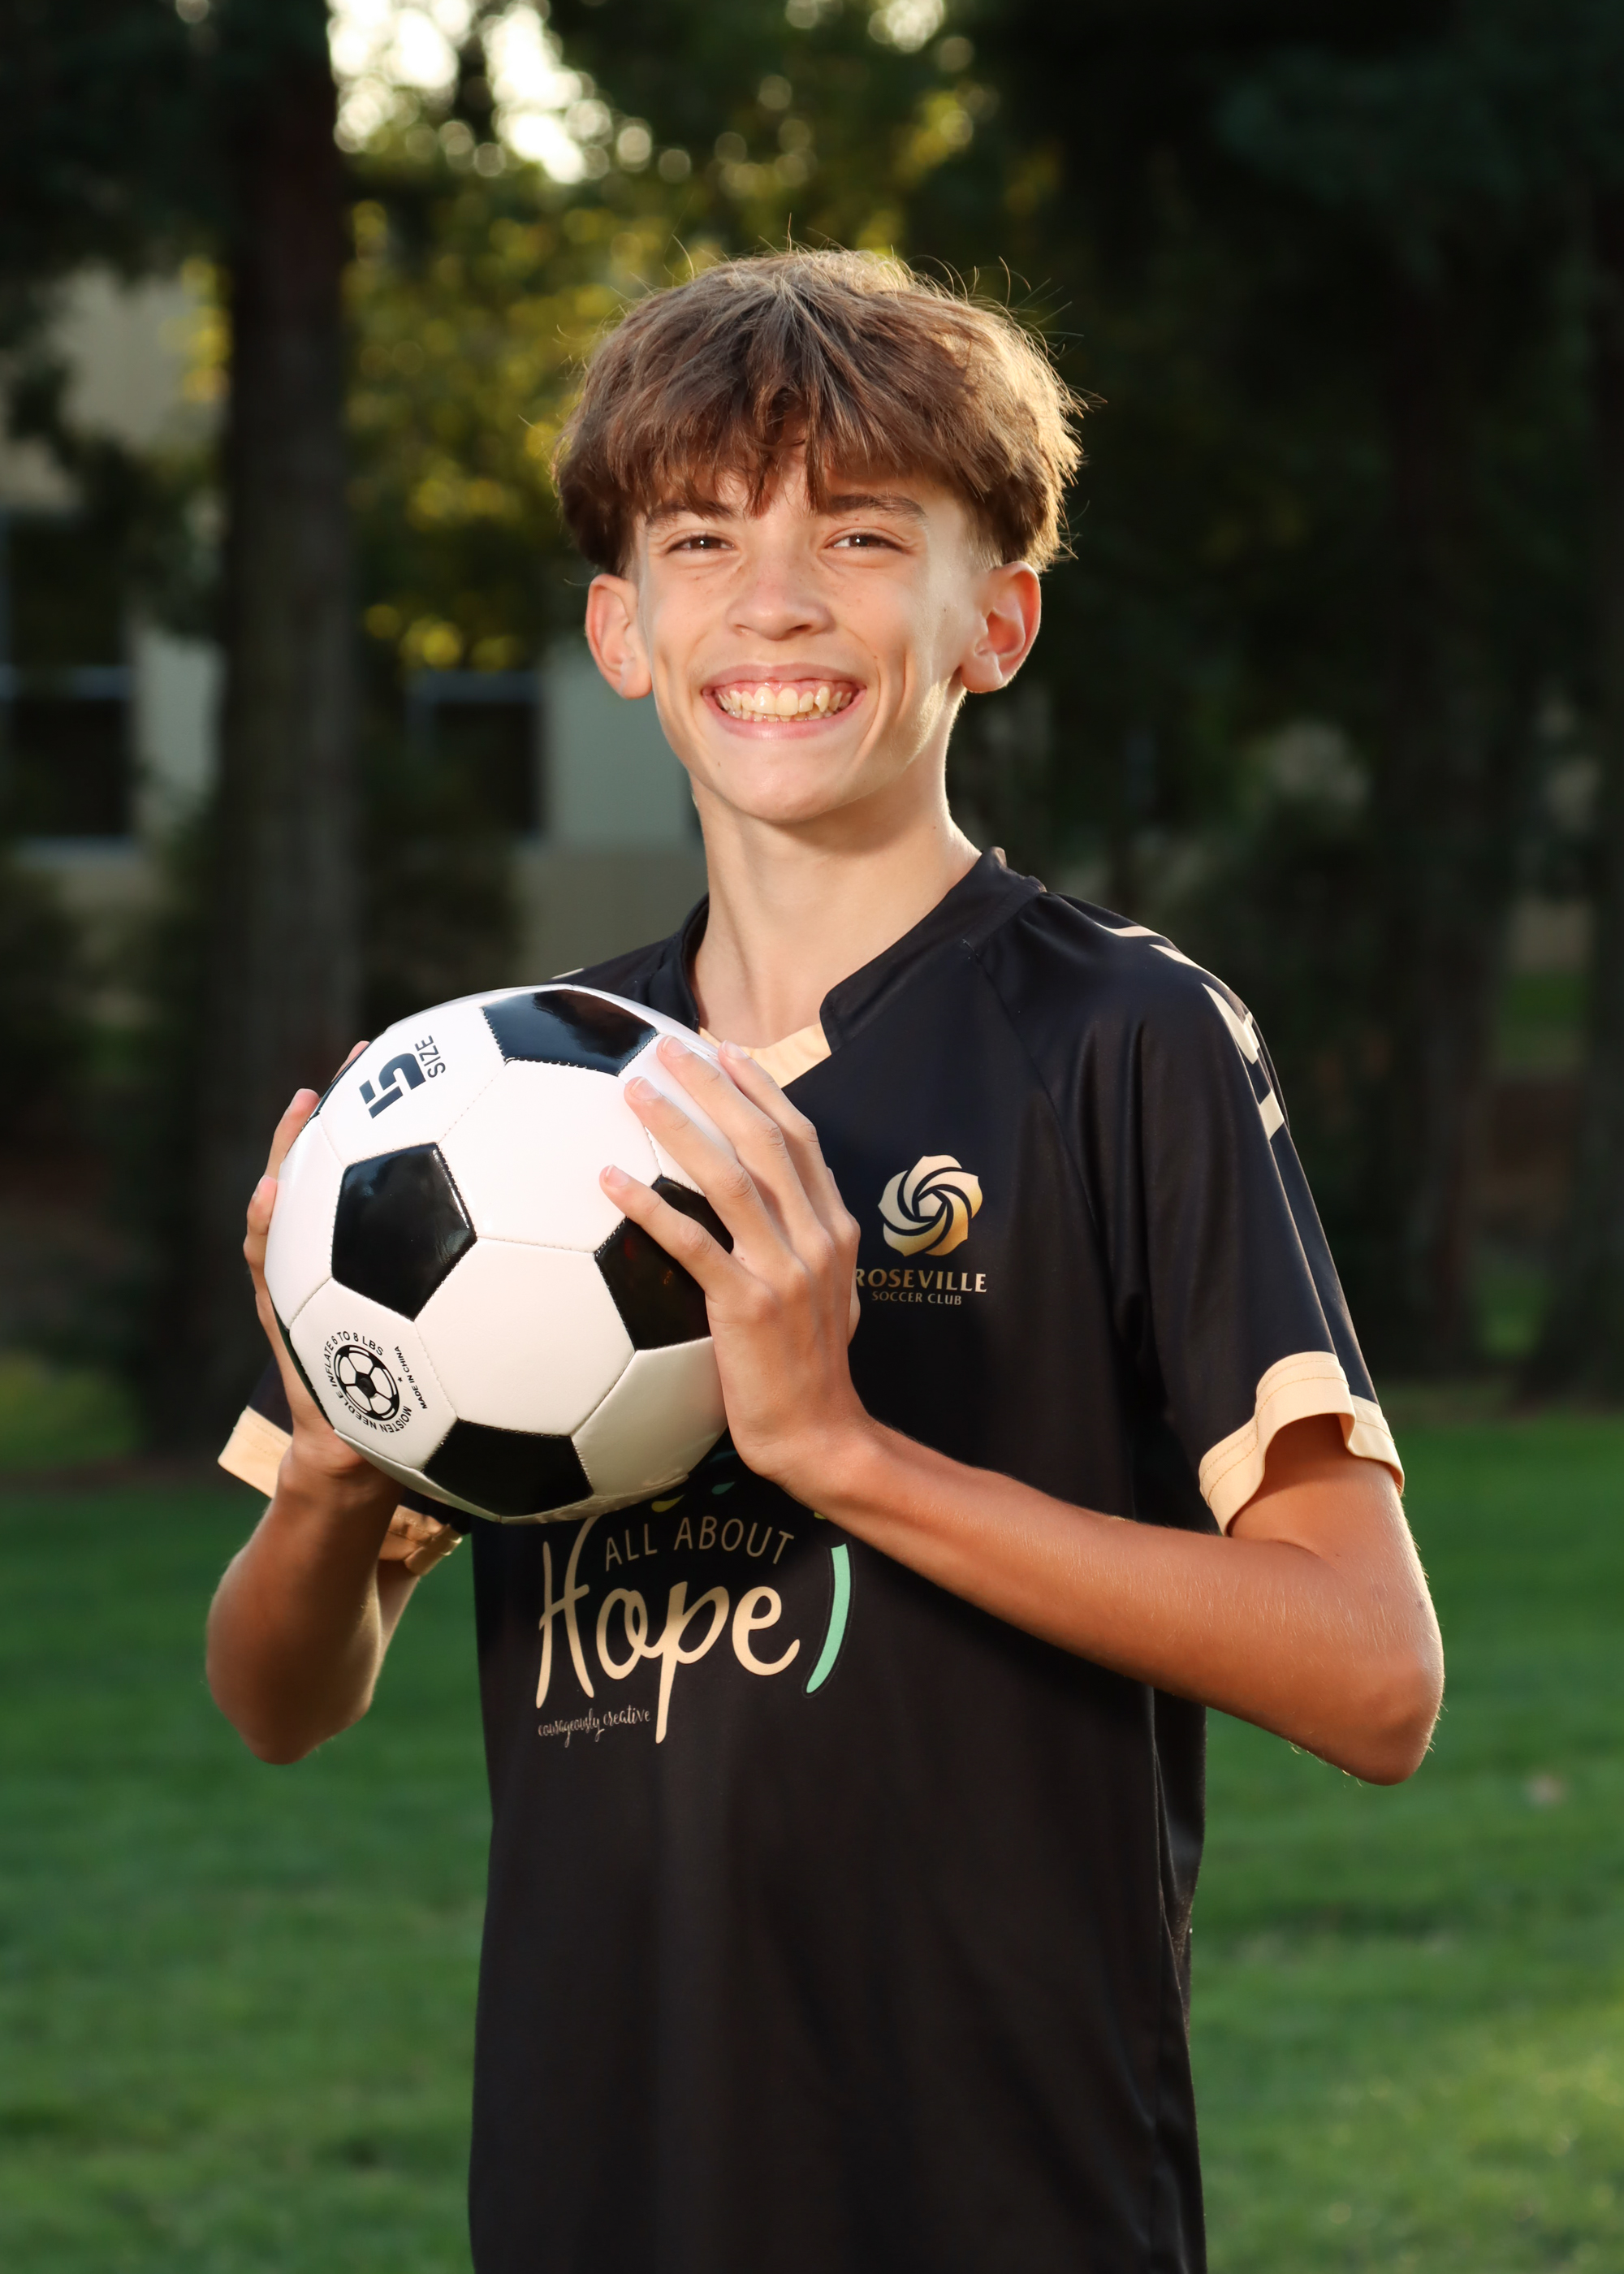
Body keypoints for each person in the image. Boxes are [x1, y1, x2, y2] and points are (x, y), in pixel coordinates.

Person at [208, 249, 1443, 2274]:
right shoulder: (511, 1103)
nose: (774, 598)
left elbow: (1372, 1677)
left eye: (862, 534)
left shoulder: (1118, 1039)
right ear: (621, 627)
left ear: (995, 620)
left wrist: (841, 1450)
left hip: (1003, 2184)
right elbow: (277, 1696)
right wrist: (336, 1463)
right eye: (701, 537)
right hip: (596, 2183)